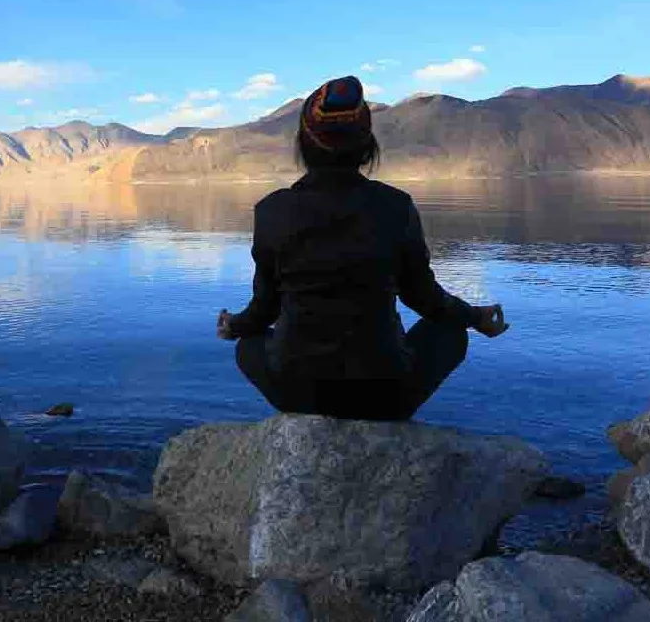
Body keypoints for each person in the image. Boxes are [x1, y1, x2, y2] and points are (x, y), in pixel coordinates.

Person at [216, 75, 509, 421]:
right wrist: (476, 317)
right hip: (384, 396)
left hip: (297, 392)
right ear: (366, 145)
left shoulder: (271, 212)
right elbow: (425, 299)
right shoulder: (396, 206)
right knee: (450, 332)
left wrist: (233, 326)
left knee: (248, 346)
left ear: (304, 145)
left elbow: (264, 311)